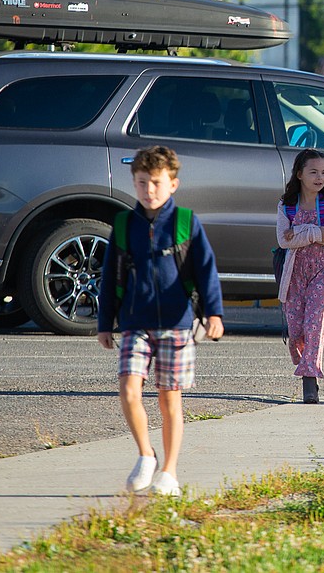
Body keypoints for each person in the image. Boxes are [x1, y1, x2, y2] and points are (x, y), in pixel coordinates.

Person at [98, 145, 224, 497]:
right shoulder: (124, 225)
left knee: (170, 401)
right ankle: (146, 454)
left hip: (176, 322)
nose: (148, 190)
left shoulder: (186, 222)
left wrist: (214, 313)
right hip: (135, 322)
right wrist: (105, 323)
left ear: (173, 184)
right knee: (128, 388)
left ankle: (169, 472)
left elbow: (205, 270)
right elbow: (110, 276)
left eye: (156, 182)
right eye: (141, 182)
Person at [275, 148, 324, 404]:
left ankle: (310, 381)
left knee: (314, 324)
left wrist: (300, 233)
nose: (319, 177)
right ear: (300, 174)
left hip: (322, 272)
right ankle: (305, 363)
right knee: (296, 333)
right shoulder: (286, 205)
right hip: (294, 274)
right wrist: (316, 232)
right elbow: (283, 240)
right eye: (313, 171)